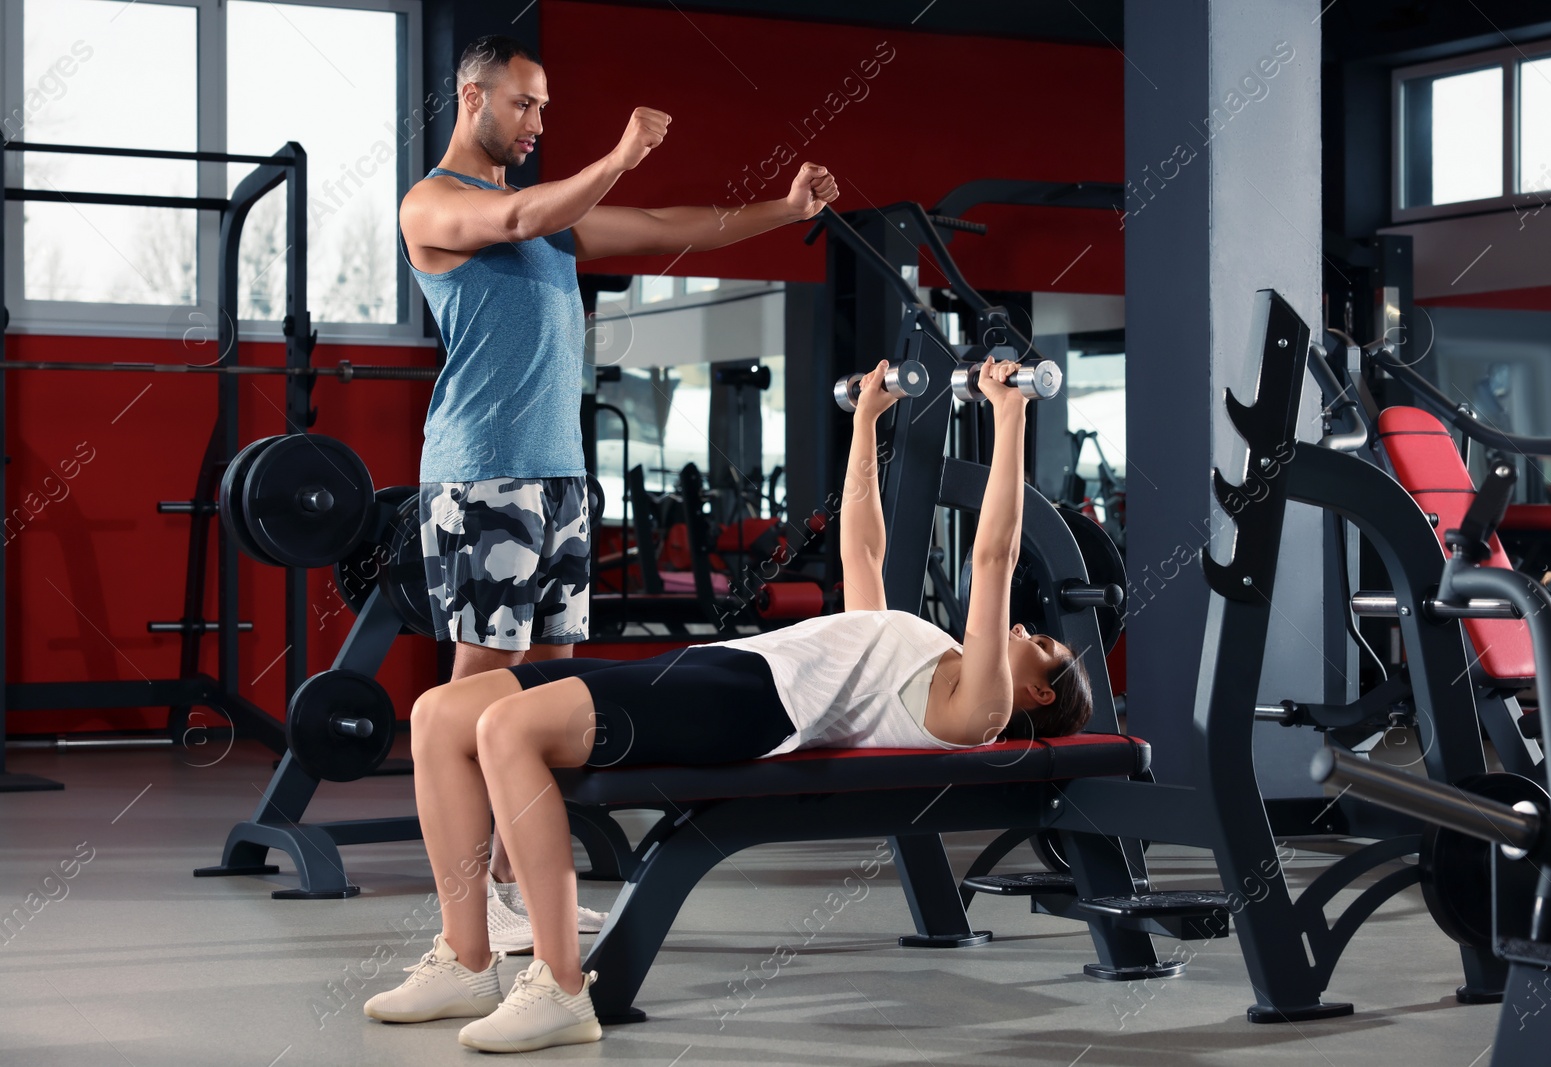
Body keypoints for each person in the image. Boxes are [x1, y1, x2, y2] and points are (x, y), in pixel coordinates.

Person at [362, 356, 1095, 1052]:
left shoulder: (983, 708)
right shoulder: (928, 646)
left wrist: (1010, 416)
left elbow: (994, 557)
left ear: (1035, 691)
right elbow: (861, 553)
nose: (1031, 630)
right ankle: (466, 959)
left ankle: (559, 985)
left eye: (1046, 649)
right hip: (721, 667)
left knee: (507, 729)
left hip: (754, 707)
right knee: (440, 713)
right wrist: (867, 422)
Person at [396, 33, 840, 948]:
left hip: (559, 478)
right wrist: (619, 155)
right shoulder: (436, 203)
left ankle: (518, 896)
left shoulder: (554, 214)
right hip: (485, 475)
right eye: (525, 105)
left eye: (547, 108)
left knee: (546, 695)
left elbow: (675, 225)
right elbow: (516, 222)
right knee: (479, 688)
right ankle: (462, 914)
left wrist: (781, 208)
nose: (538, 122)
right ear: (472, 99)